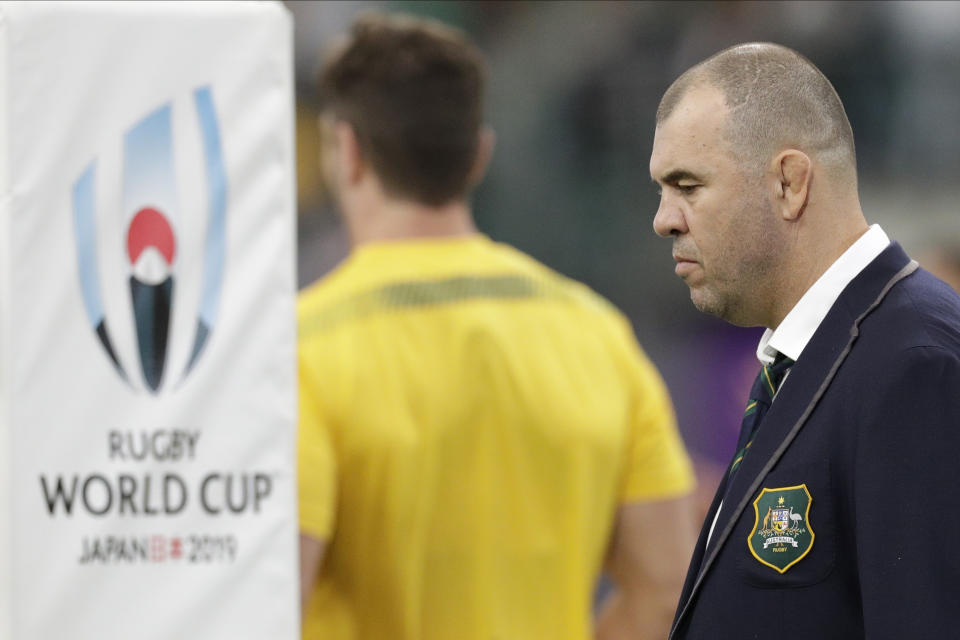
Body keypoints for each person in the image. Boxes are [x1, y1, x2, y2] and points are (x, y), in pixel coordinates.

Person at [297, 12, 697, 640]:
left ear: (346, 152)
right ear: (478, 154)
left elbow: (270, 601)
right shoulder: (597, 335)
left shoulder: (300, 352)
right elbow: (668, 592)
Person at [649, 42, 960, 639]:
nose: (663, 219)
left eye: (687, 185)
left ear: (789, 183)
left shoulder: (915, 364)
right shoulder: (815, 356)